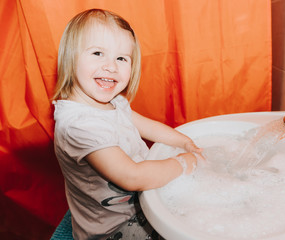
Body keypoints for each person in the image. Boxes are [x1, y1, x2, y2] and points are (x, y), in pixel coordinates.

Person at [52, 9, 203, 240]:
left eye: (121, 58)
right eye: (98, 53)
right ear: (71, 56)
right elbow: (131, 177)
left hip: (141, 203)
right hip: (112, 229)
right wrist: (183, 163)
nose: (111, 66)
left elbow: (148, 127)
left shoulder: (114, 102)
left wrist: (183, 141)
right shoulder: (78, 126)